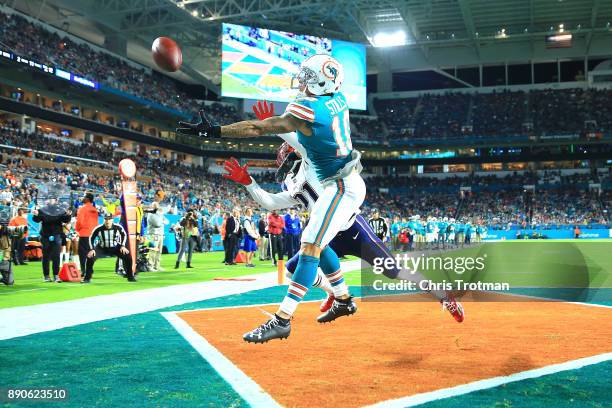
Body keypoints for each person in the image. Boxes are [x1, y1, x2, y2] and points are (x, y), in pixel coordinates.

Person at [85, 213, 136, 283]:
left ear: (112, 220)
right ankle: (87, 278)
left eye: (109, 219)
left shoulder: (118, 227)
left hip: (115, 247)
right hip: (101, 248)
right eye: (106, 219)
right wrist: (92, 249)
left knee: (128, 257)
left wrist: (123, 246)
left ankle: (130, 276)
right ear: (103, 220)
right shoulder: (98, 228)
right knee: (90, 257)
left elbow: (124, 234)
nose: (107, 221)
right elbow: (91, 238)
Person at [32, 201, 71, 282]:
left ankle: (56, 275)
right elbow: (37, 220)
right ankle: (46, 276)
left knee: (56, 256)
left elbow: (65, 220)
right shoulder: (42, 210)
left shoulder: (60, 210)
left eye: (53, 199)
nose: (52, 201)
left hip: (57, 234)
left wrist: (68, 215)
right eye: (50, 199)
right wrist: (35, 215)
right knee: (46, 256)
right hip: (45, 235)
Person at [75, 193, 99, 273]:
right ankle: (90, 269)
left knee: (82, 253)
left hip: (84, 234)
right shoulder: (94, 209)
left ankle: (84, 271)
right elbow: (96, 223)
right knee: (91, 252)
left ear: (87, 199)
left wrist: (77, 230)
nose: (83, 198)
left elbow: (79, 222)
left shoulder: (82, 209)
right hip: (92, 234)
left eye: (84, 197)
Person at [146, 201, 166, 271]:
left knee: (159, 251)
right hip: (153, 234)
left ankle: (157, 266)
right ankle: (150, 266)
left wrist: (162, 220)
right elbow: (157, 224)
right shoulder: (151, 214)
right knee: (153, 250)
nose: (157, 207)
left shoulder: (159, 214)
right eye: (155, 206)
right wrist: (162, 220)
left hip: (160, 234)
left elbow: (167, 221)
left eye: (157, 206)